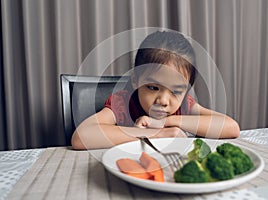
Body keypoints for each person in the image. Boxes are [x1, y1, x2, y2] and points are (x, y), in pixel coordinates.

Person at [72, 31, 240, 149]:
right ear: (136, 80)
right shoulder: (122, 103)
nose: (163, 101)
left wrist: (166, 122)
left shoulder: (184, 106)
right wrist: (157, 134)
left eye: (176, 91)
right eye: (153, 87)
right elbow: (81, 137)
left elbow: (231, 128)